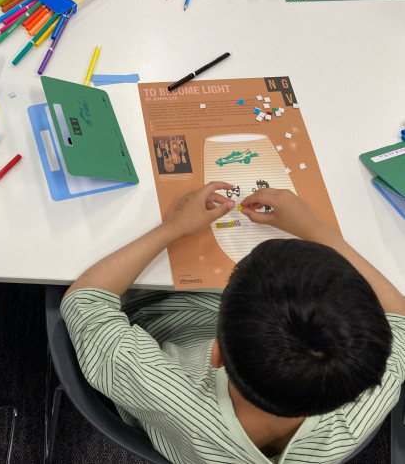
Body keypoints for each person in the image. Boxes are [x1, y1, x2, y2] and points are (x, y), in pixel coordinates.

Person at [62, 181, 405, 464]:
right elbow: (400, 319)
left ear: (217, 355)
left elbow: (85, 300)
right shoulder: (364, 396)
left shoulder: (162, 388)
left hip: (161, 314)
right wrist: (316, 228)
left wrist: (175, 227)